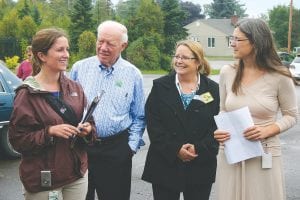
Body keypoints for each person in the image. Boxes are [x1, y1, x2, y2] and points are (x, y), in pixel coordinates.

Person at [214, 18, 298, 200]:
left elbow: (291, 116)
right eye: (232, 39)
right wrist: (220, 130)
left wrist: (267, 130)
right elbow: (223, 110)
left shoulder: (280, 76)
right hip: (231, 153)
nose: (232, 44)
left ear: (256, 41)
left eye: (237, 39)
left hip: (264, 154)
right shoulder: (227, 72)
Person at [8, 28, 96, 200]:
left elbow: (91, 122)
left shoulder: (75, 87)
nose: (67, 54)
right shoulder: (26, 94)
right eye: (60, 50)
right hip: (43, 180)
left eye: (67, 49)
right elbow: (17, 140)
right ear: (42, 55)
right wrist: (49, 132)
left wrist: (88, 129)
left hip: (76, 175)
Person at [70, 20, 146, 200]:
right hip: (82, 147)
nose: (103, 47)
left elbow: (139, 116)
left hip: (116, 149)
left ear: (123, 45)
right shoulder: (79, 68)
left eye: (110, 43)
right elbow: (68, 107)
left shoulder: (133, 74)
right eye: (100, 41)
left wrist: (130, 148)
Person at [142, 40, 220, 200]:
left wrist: (197, 148)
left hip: (199, 163)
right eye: (176, 56)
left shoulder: (212, 89)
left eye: (184, 57)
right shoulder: (160, 87)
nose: (178, 61)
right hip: (165, 162)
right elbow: (154, 124)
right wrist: (175, 149)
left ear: (198, 61)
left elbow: (216, 125)